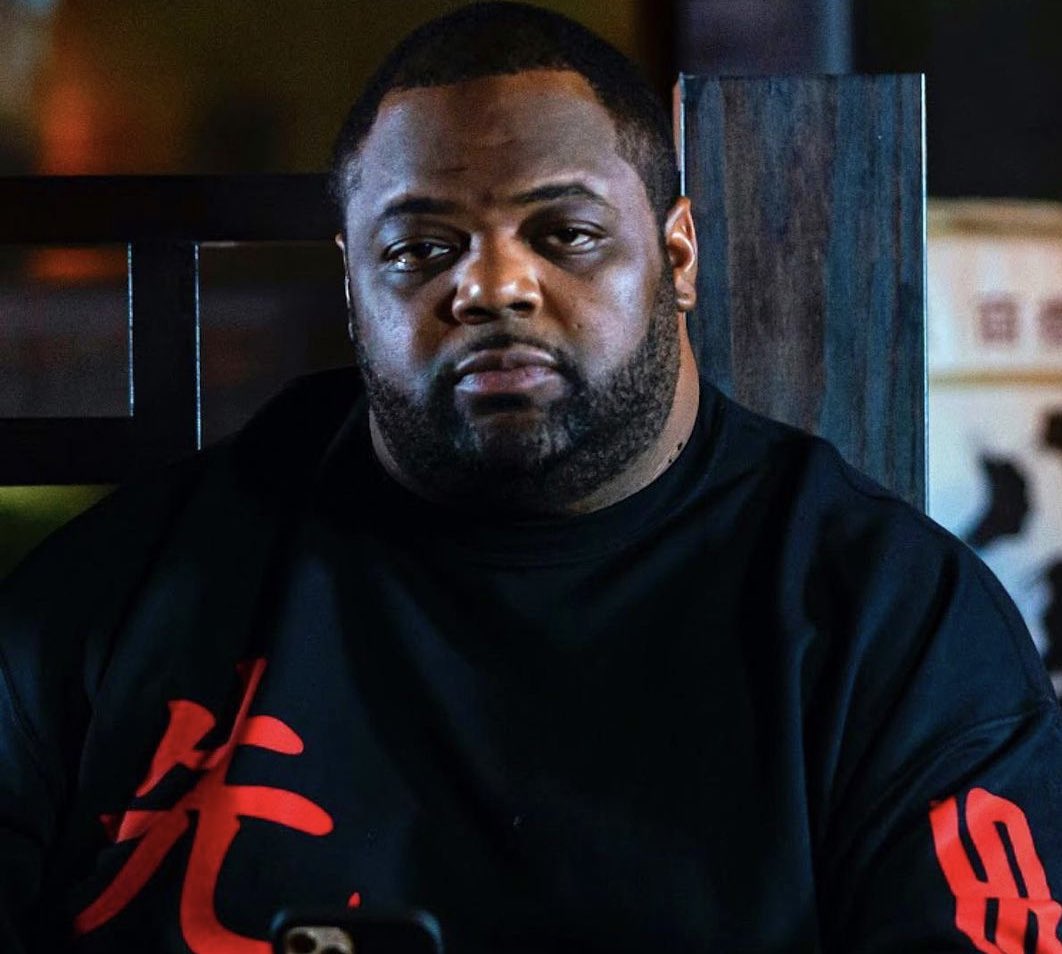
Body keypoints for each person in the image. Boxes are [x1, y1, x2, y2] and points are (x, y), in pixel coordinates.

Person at [3, 3, 1062, 952]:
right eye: (421, 250)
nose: (495, 285)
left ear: (679, 257)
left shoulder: (889, 621)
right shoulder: (133, 590)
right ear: (353, 286)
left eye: (567, 235)